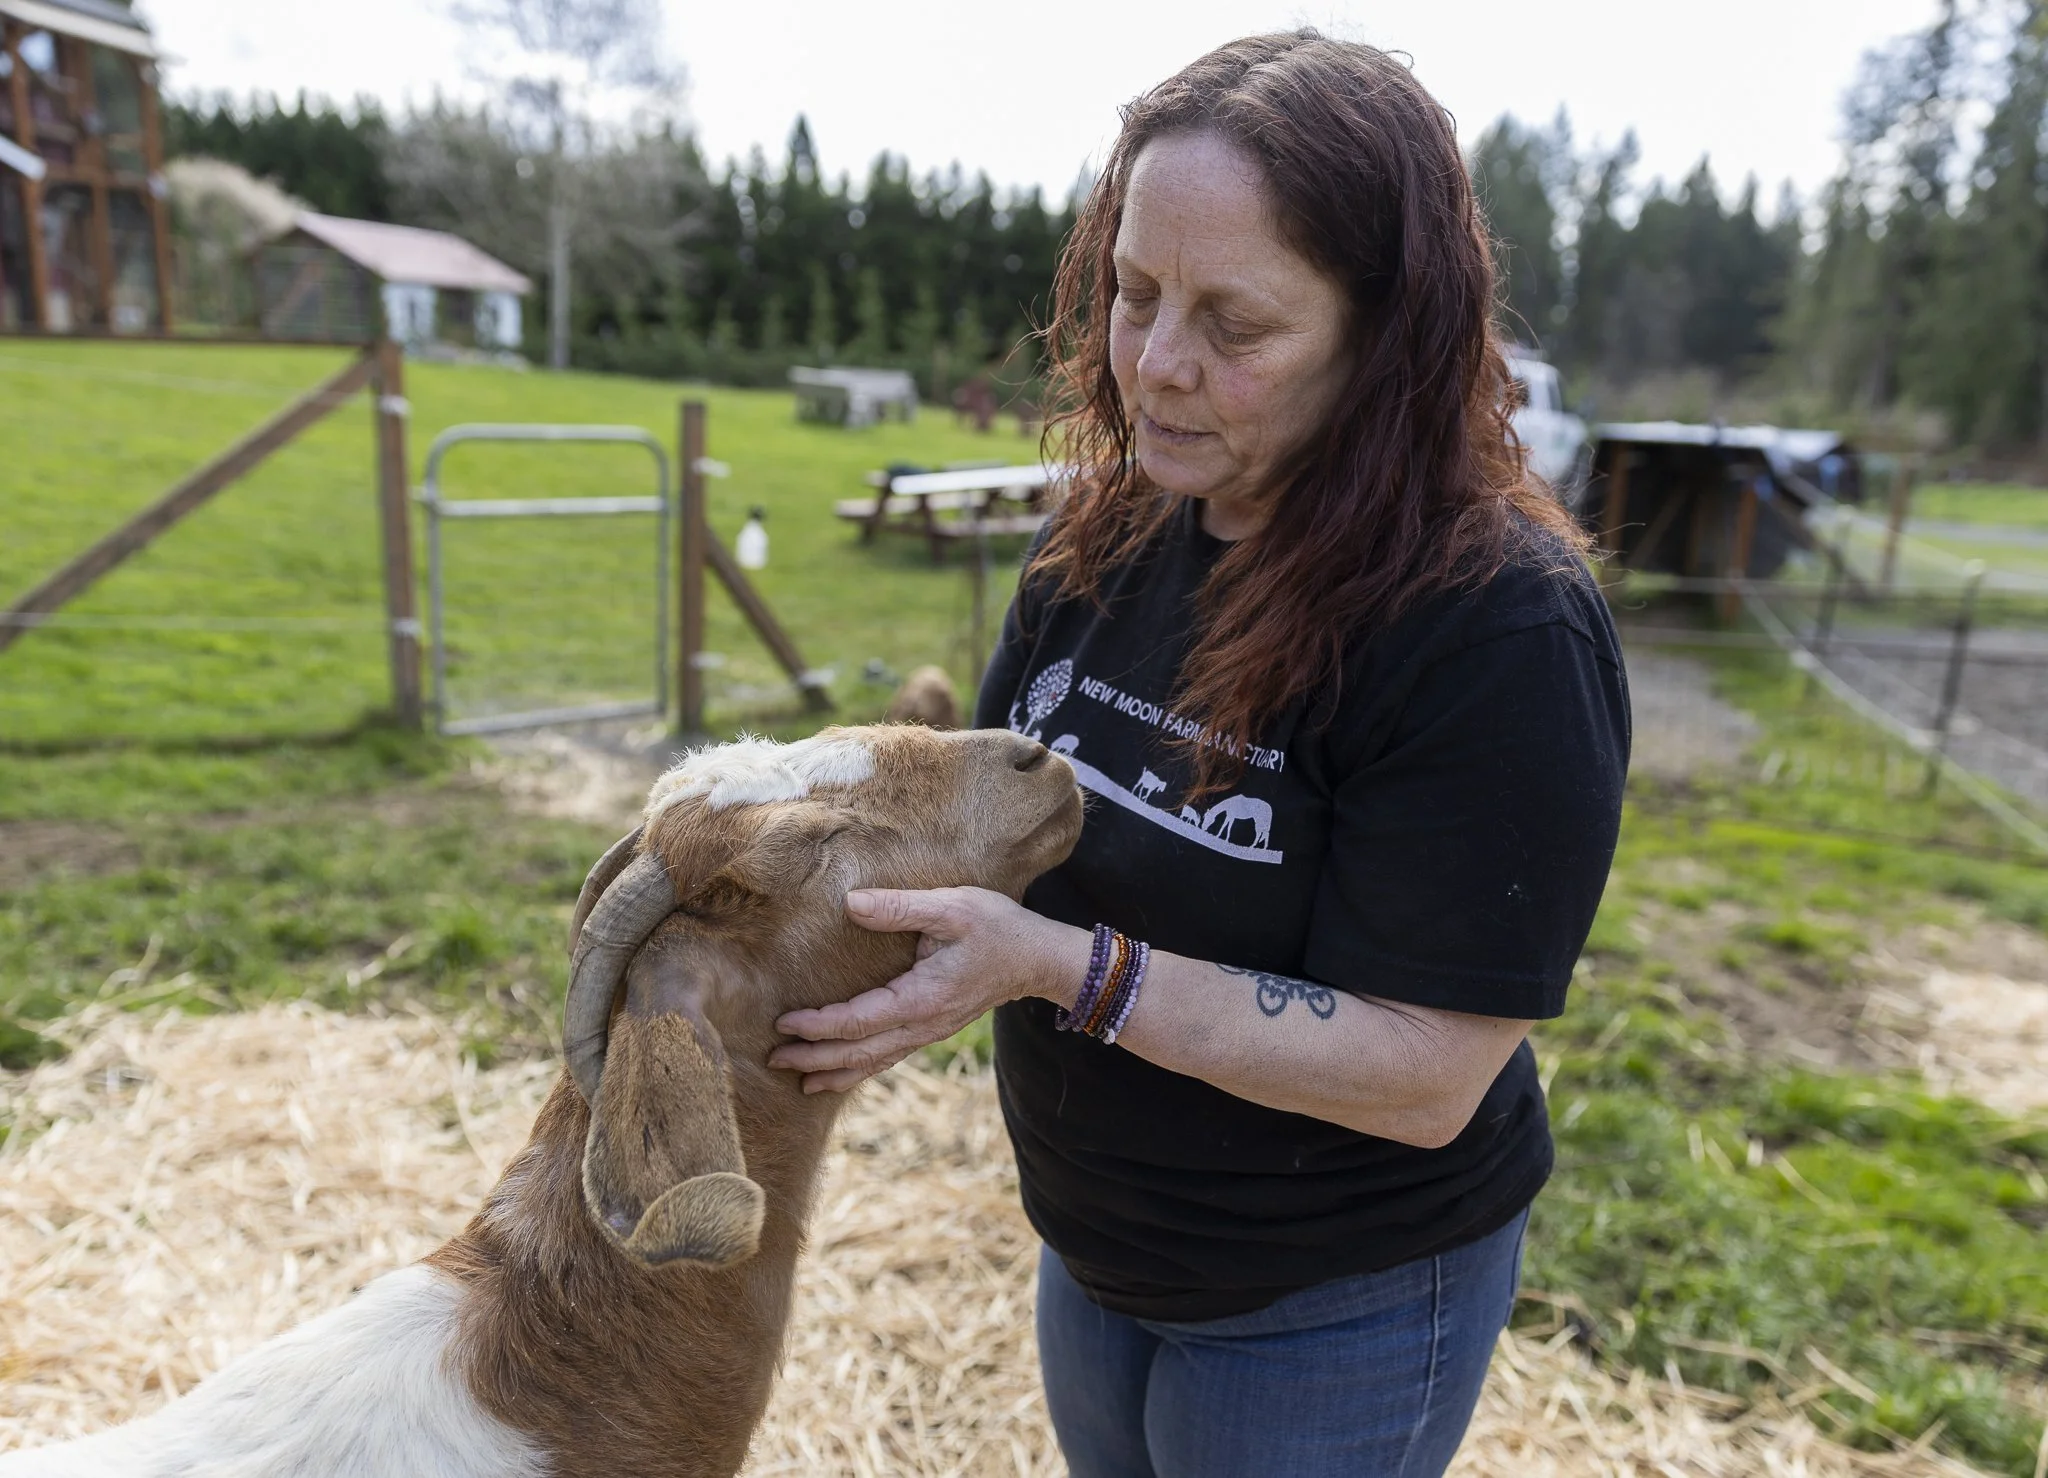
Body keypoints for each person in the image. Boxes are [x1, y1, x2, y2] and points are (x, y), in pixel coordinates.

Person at [769, 30, 1629, 1477]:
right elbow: (981, 817)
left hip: (1329, 1299)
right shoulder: (1103, 533)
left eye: (1235, 325)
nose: (1157, 365)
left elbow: (1427, 1072)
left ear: (1386, 336)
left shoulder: (1492, 630)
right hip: (1100, 1253)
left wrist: (1059, 968)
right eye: (1134, 293)